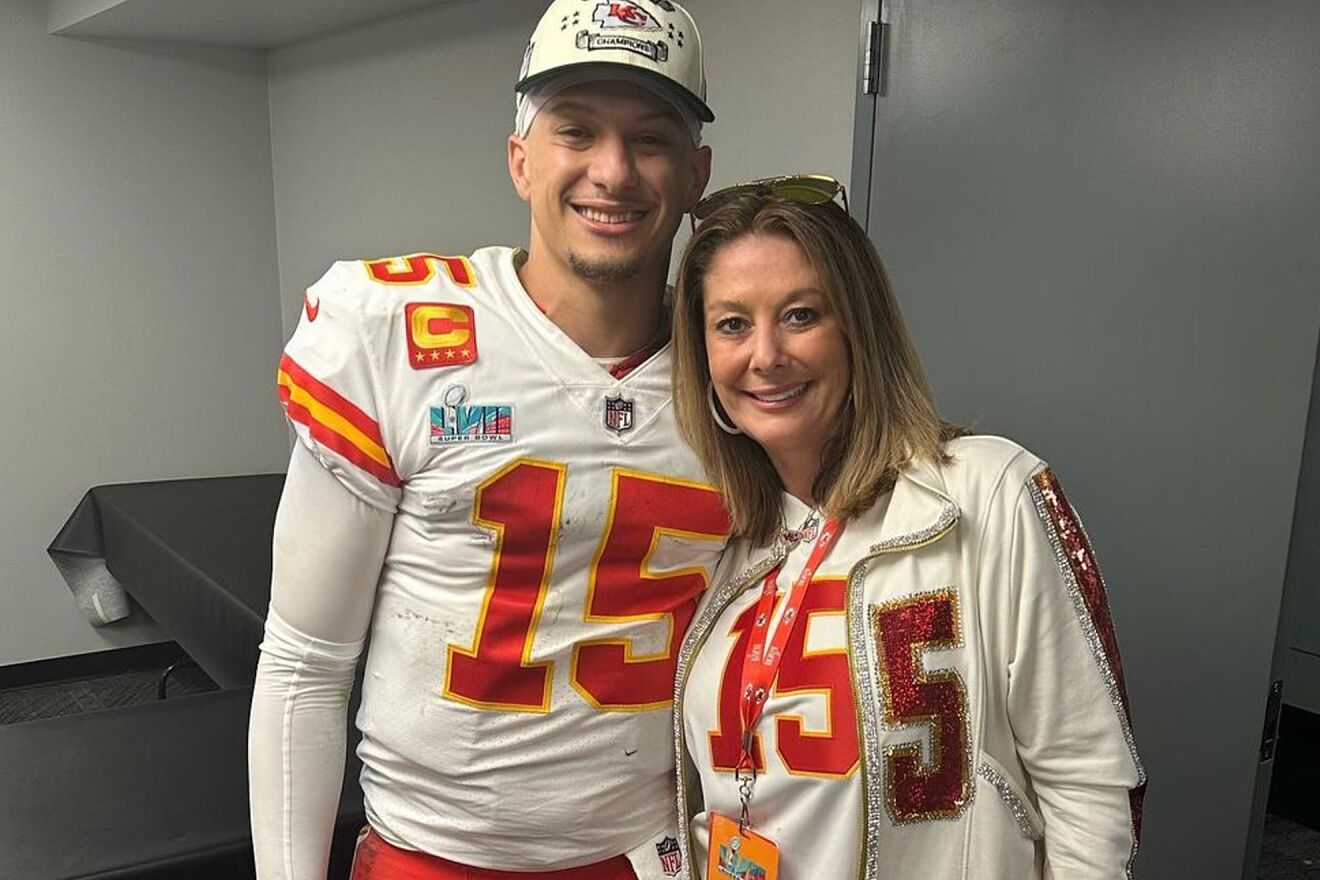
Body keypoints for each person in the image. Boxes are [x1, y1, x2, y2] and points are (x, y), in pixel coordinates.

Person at [248, 3, 730, 878]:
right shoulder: (393, 330)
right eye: (576, 131)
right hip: (432, 852)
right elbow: (305, 666)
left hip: (648, 852)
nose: (612, 172)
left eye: (650, 139)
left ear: (696, 173)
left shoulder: (739, 369)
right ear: (521, 159)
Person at [667, 176, 1146, 879]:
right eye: (732, 323)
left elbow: (1089, 780)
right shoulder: (720, 546)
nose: (765, 355)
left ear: (860, 328)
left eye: (800, 315)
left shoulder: (986, 495)